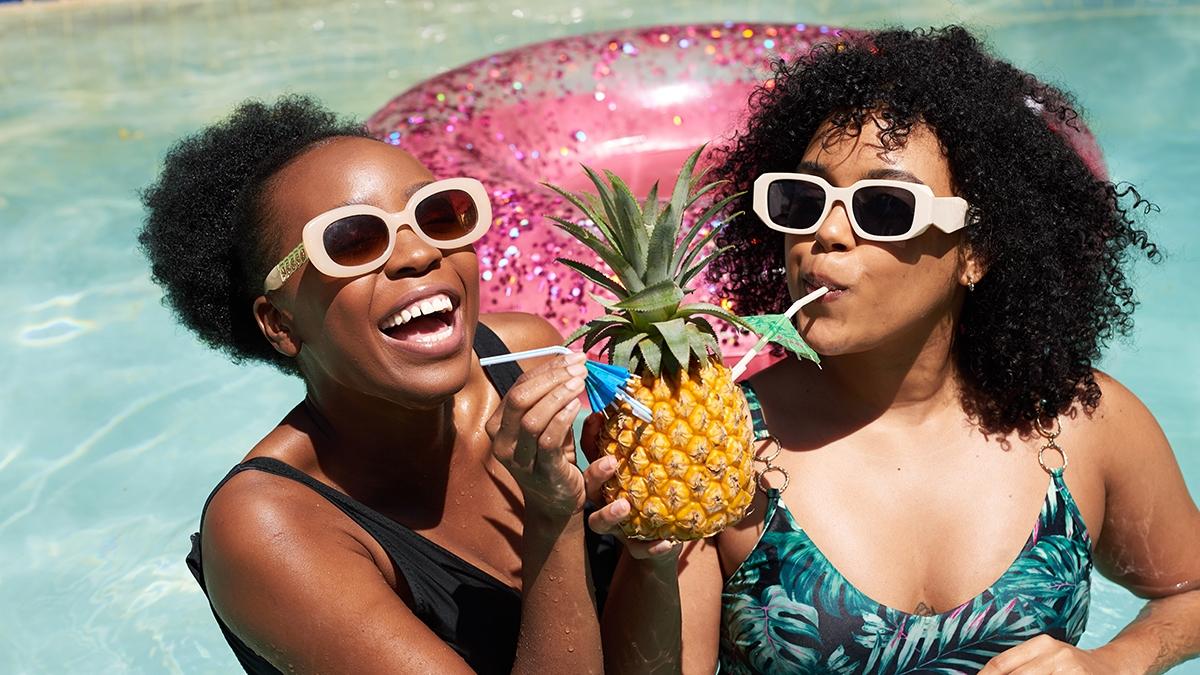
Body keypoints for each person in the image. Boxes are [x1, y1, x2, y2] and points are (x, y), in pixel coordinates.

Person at [585, 26, 1200, 673]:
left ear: (976, 250)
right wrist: (648, 556)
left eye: (882, 207)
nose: (824, 234)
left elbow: (1189, 589)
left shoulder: (1080, 422)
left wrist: (1116, 661)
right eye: (801, 198)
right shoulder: (722, 444)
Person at [139, 95, 602, 675]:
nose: (418, 252)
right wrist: (553, 515)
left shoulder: (525, 357)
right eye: (353, 240)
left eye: (437, 215)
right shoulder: (266, 526)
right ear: (280, 323)